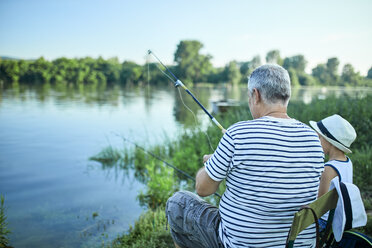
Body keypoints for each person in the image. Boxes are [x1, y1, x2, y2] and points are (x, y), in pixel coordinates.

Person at [166, 64, 324, 248]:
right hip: (297, 244)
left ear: (255, 95)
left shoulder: (239, 133)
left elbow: (203, 189)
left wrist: (212, 163)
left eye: (249, 96)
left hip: (239, 244)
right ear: (286, 95)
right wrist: (221, 161)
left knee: (178, 203)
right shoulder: (313, 138)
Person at [309, 114, 357, 230]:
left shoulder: (328, 169)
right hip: (339, 217)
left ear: (328, 140)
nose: (317, 141)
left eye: (319, 138)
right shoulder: (347, 162)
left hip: (324, 222)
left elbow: (319, 207)